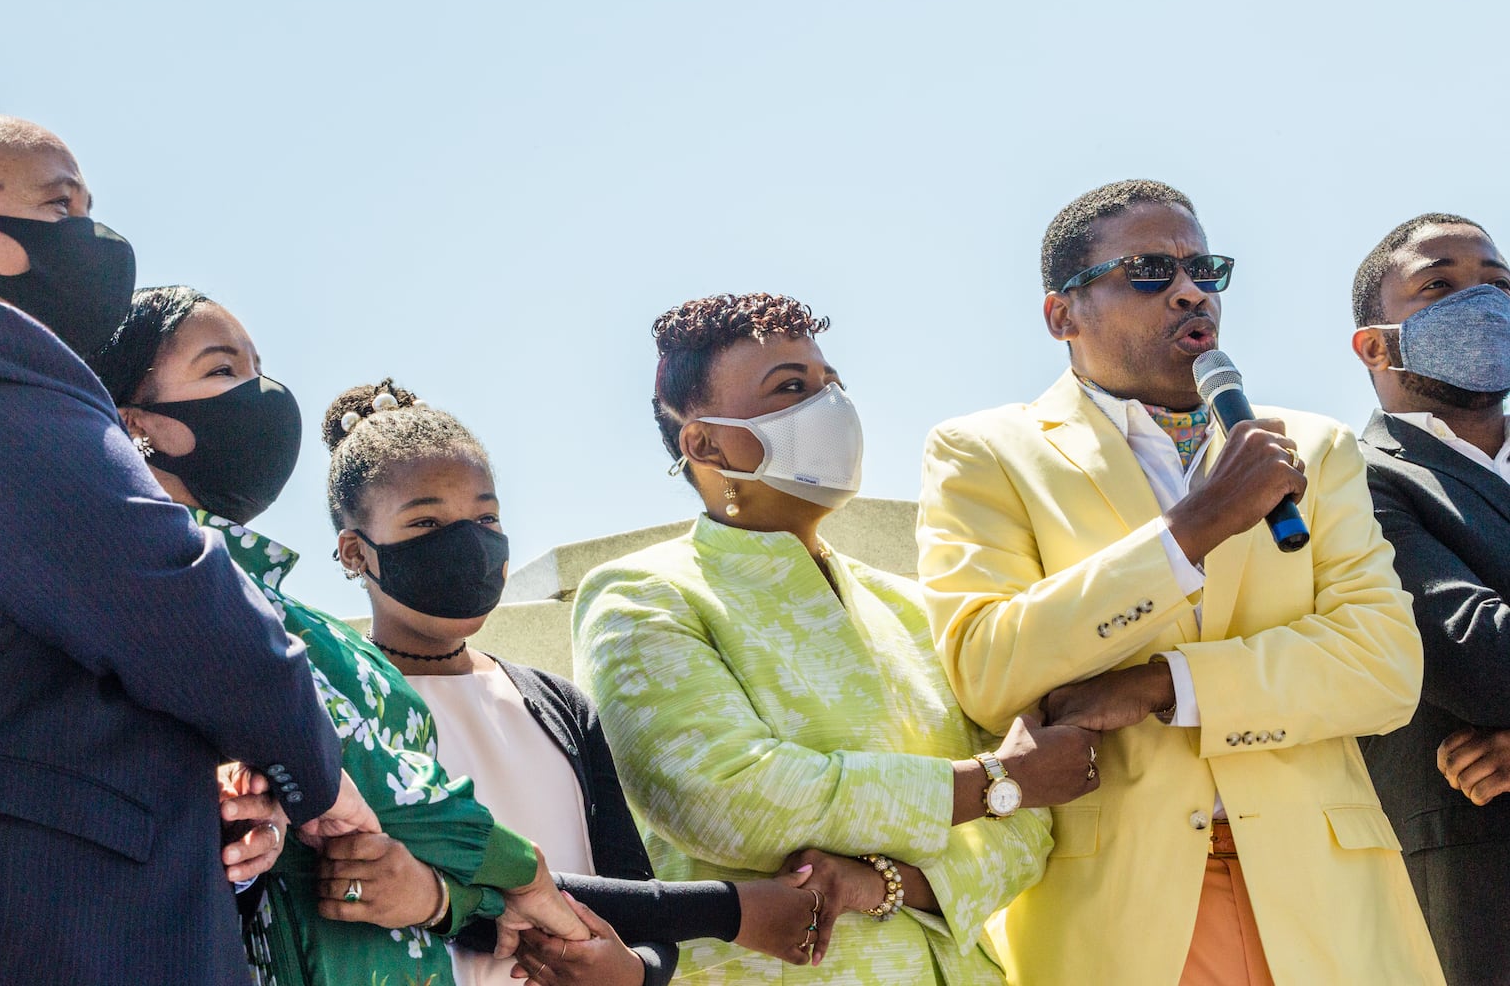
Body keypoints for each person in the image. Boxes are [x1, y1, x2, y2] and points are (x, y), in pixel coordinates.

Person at [916, 179, 1444, 985]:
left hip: (1326, 900)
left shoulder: (1314, 446)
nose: (1192, 291)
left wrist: (1166, 683)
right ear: (1063, 315)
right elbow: (991, 667)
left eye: (1205, 270)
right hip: (1116, 911)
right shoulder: (984, 453)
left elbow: (1382, 669)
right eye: (1149, 272)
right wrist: (1190, 530)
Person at [0, 114, 377, 985]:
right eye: (57, 204)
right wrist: (319, 779)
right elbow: (162, 590)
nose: (91, 238)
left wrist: (213, 791)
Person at [573, 292, 1095, 985]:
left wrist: (881, 883)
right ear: (704, 443)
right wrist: (991, 783)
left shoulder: (914, 606)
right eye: (791, 388)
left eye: (830, 384)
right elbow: (725, 797)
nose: (830, 408)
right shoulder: (644, 592)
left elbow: (1028, 830)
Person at [89, 287, 587, 986]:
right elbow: (356, 762)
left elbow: (381, 836)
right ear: (134, 422)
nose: (262, 394)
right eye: (223, 369)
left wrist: (459, 899)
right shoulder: (168, 579)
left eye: (258, 366)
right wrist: (523, 873)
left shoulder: (296, 613)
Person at [322, 377, 832, 985]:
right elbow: (441, 877)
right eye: (427, 525)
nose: (468, 545)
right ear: (355, 554)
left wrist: (635, 973)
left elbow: (636, 899)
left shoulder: (557, 702)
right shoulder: (339, 701)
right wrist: (731, 909)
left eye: (486, 518)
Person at [1349, 213, 1510, 984]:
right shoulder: (1354, 483)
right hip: (1480, 896)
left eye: (1498, 285)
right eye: (1439, 285)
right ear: (1375, 345)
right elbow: (1479, 661)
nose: (1480, 304)